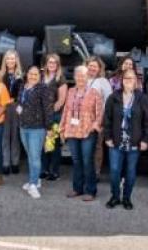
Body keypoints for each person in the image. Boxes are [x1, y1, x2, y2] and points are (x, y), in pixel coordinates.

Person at [103, 69, 148, 210]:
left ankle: (127, 198)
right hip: (116, 141)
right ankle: (115, 196)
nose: (129, 81)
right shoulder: (113, 97)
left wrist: (145, 139)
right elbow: (107, 119)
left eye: (131, 78)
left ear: (136, 81)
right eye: (126, 78)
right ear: (121, 80)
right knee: (114, 171)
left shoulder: (142, 98)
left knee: (130, 172)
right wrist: (107, 137)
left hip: (134, 142)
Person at [61, 65, 103, 201]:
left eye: (83, 76)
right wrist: (62, 128)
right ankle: (77, 188)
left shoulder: (94, 92)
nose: (80, 78)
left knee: (87, 161)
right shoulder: (70, 91)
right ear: (74, 77)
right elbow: (66, 111)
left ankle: (90, 190)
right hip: (72, 130)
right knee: (76, 161)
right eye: (78, 75)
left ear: (87, 78)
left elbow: (100, 112)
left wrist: (95, 125)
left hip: (87, 131)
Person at [17, 65, 54, 199]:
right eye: (31, 74)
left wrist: (49, 128)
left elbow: (48, 109)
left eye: (36, 75)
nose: (33, 76)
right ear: (27, 74)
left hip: (37, 128)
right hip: (23, 126)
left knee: (35, 156)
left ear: (40, 76)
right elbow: (20, 103)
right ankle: (36, 179)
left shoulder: (43, 89)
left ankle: (33, 184)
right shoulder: (23, 86)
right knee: (30, 155)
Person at [41, 53, 68, 181]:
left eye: (54, 62)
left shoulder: (60, 79)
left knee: (53, 143)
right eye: (49, 62)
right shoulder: (41, 77)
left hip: (54, 115)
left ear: (58, 65)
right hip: (40, 116)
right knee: (43, 143)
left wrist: (50, 113)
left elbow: (61, 101)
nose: (51, 64)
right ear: (46, 64)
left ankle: (54, 170)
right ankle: (44, 169)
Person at [86, 56, 112, 178]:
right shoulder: (82, 79)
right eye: (90, 65)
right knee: (84, 146)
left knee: (97, 146)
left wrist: (101, 120)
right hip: (83, 120)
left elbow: (108, 102)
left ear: (99, 68)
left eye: (95, 66)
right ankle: (85, 171)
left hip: (98, 119)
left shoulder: (103, 82)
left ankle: (96, 172)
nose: (92, 68)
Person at [0, 50, 23, 175]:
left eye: (12, 59)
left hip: (16, 107)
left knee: (15, 136)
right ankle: (5, 163)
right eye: (8, 59)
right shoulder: (0, 75)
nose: (10, 61)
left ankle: (15, 162)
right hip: (3, 107)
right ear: (5, 61)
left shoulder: (20, 75)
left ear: (16, 61)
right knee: (5, 136)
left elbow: (23, 93)